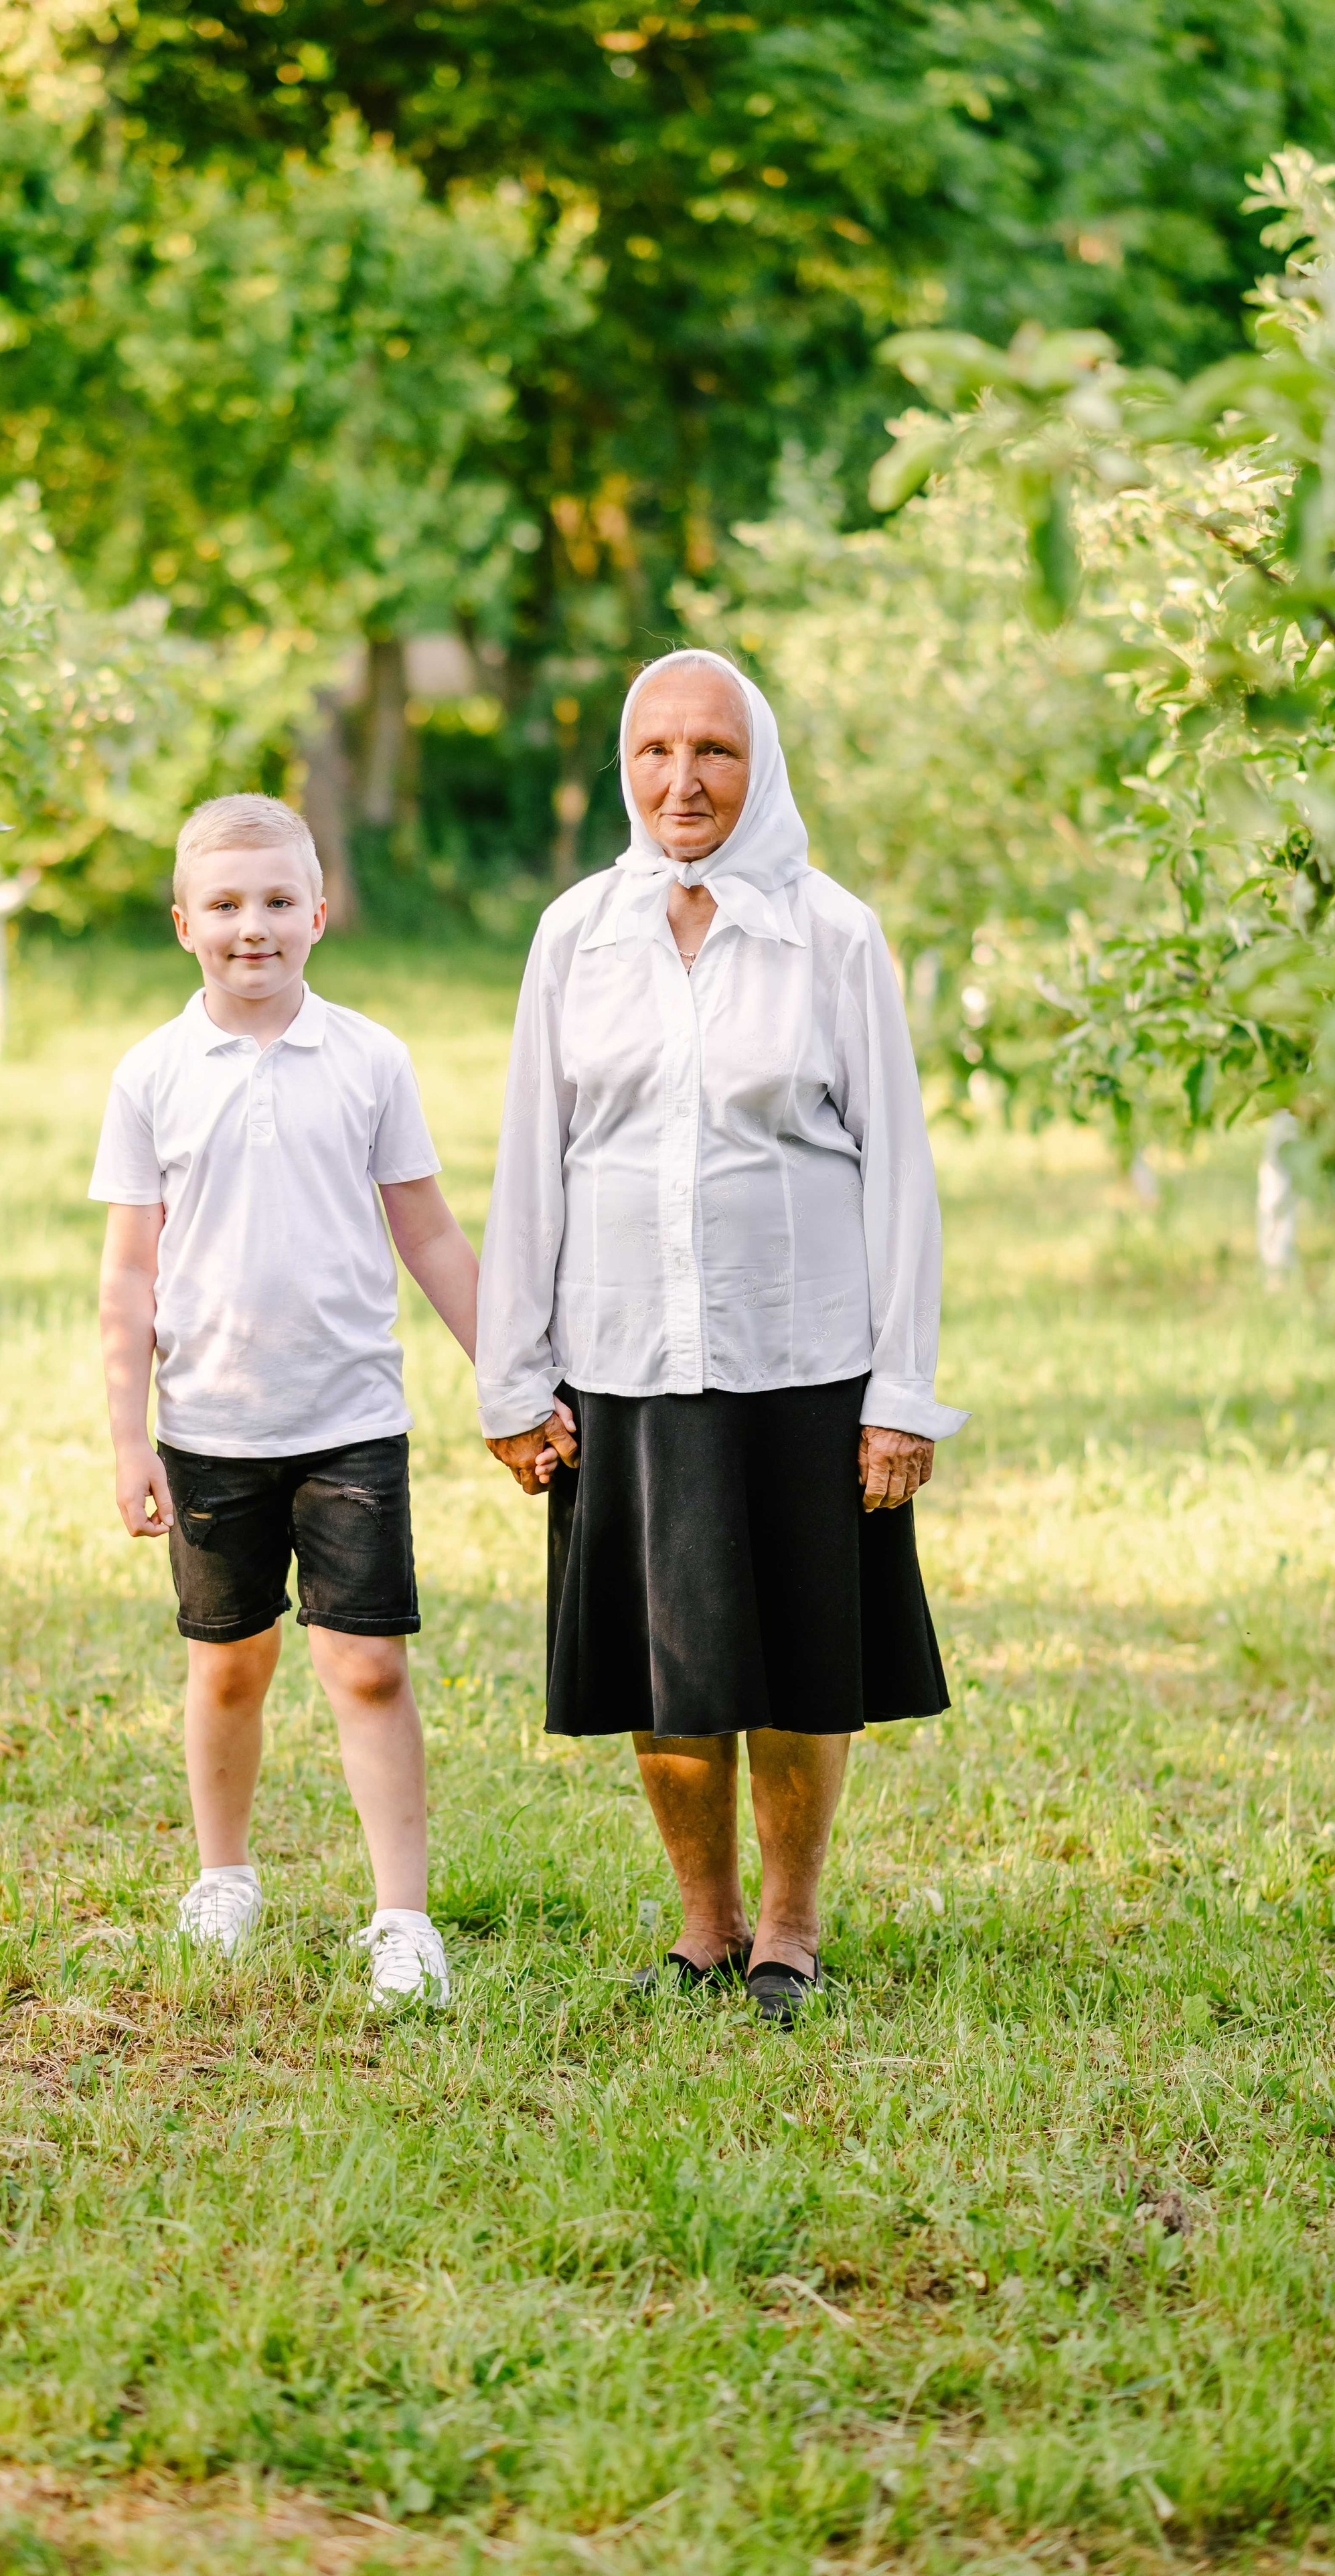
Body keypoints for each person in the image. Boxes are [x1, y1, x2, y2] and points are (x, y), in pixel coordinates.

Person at [476, 649, 967, 2026]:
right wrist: (513, 1379)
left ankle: (790, 1927)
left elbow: (897, 1173)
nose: (681, 780)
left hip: (803, 1358)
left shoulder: (833, 933)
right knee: (666, 1658)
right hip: (626, 1358)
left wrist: (900, 1392)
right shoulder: (576, 933)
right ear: (622, 768)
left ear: (759, 765)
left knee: (806, 1658)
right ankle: (702, 1923)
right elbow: (531, 1162)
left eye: (713, 751)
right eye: (653, 752)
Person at [90, 793, 479, 2006]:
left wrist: (514, 1373)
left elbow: (427, 1232)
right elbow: (128, 1276)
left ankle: (402, 1918)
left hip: (350, 1419)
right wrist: (126, 1440)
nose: (250, 927)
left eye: (274, 902)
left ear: (318, 912)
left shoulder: (369, 1057)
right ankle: (225, 1876)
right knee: (229, 1666)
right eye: (223, 905)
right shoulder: (153, 1074)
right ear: (183, 924)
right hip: (208, 1426)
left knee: (366, 1668)